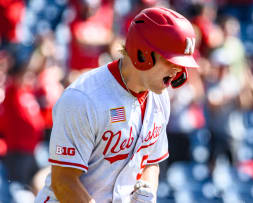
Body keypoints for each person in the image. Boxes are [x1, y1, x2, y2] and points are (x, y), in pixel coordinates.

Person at [35, 7, 199, 203]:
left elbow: (152, 161)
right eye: (171, 60)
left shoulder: (159, 97)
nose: (178, 70)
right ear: (143, 54)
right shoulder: (84, 98)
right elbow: (64, 181)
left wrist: (148, 188)